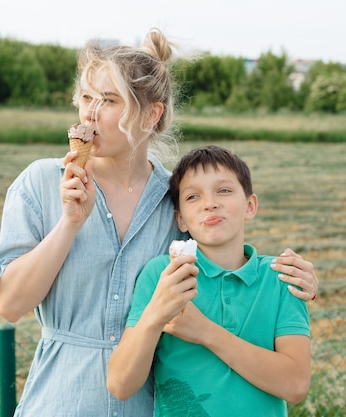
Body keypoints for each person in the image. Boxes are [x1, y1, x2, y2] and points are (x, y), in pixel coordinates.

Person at [0, 29, 318, 417]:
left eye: (108, 101)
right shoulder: (42, 182)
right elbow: (10, 305)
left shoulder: (176, 199)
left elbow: (226, 267)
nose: (89, 113)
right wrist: (69, 224)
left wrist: (298, 280)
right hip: (59, 401)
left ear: (150, 115)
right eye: (86, 98)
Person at [107, 145, 311, 416]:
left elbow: (295, 385)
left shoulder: (281, 277)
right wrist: (155, 316)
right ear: (180, 219)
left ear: (250, 206)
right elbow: (121, 385)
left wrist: (204, 332)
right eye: (193, 196)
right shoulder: (162, 275)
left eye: (224, 191)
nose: (210, 203)